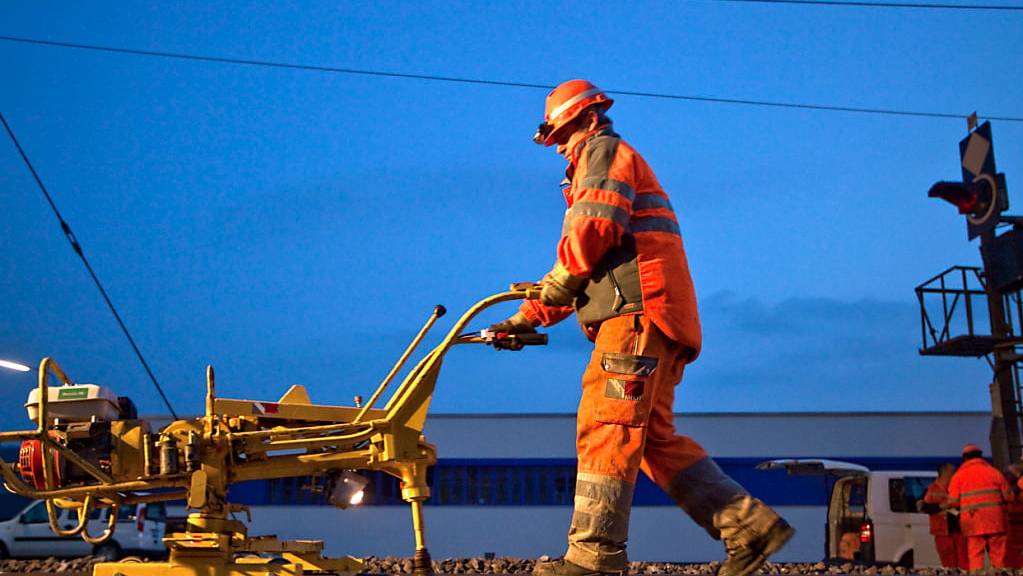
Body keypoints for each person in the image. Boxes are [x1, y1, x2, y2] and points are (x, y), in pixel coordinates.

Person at [490, 79, 793, 576]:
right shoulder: (602, 162)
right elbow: (586, 263)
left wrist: (554, 292)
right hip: (658, 319)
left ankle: (593, 558)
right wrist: (528, 318)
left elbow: (591, 236)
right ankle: (750, 528)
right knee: (652, 439)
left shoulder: (604, 153)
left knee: (607, 425)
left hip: (637, 317)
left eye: (562, 134)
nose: (560, 147)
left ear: (587, 118)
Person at [947, 443, 1012, 571]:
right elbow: (1009, 497)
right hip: (996, 522)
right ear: (981, 456)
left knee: (976, 556)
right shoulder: (995, 473)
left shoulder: (959, 476)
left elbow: (953, 502)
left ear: (965, 458)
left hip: (973, 522)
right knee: (998, 557)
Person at [920, 463, 967, 569]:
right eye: (953, 471)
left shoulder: (957, 487)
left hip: (959, 530)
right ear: (944, 472)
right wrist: (942, 506)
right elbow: (925, 507)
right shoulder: (931, 489)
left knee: (964, 563)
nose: (955, 473)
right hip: (942, 532)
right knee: (948, 565)